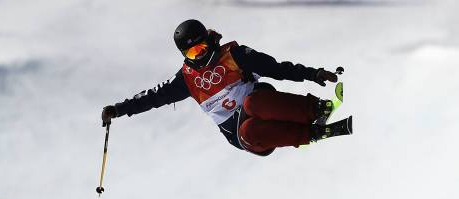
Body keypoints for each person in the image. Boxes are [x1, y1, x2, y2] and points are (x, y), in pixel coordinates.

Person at [101, 19, 352, 156]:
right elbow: (152, 98)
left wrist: (313, 73)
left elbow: (277, 68)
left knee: (253, 103)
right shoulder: (187, 79)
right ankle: (312, 134)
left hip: (261, 103)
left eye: (201, 48)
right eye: (191, 52)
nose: (199, 56)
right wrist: (118, 109)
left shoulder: (234, 55)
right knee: (249, 131)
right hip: (240, 133)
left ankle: (317, 109)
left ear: (208, 42)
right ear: (183, 54)